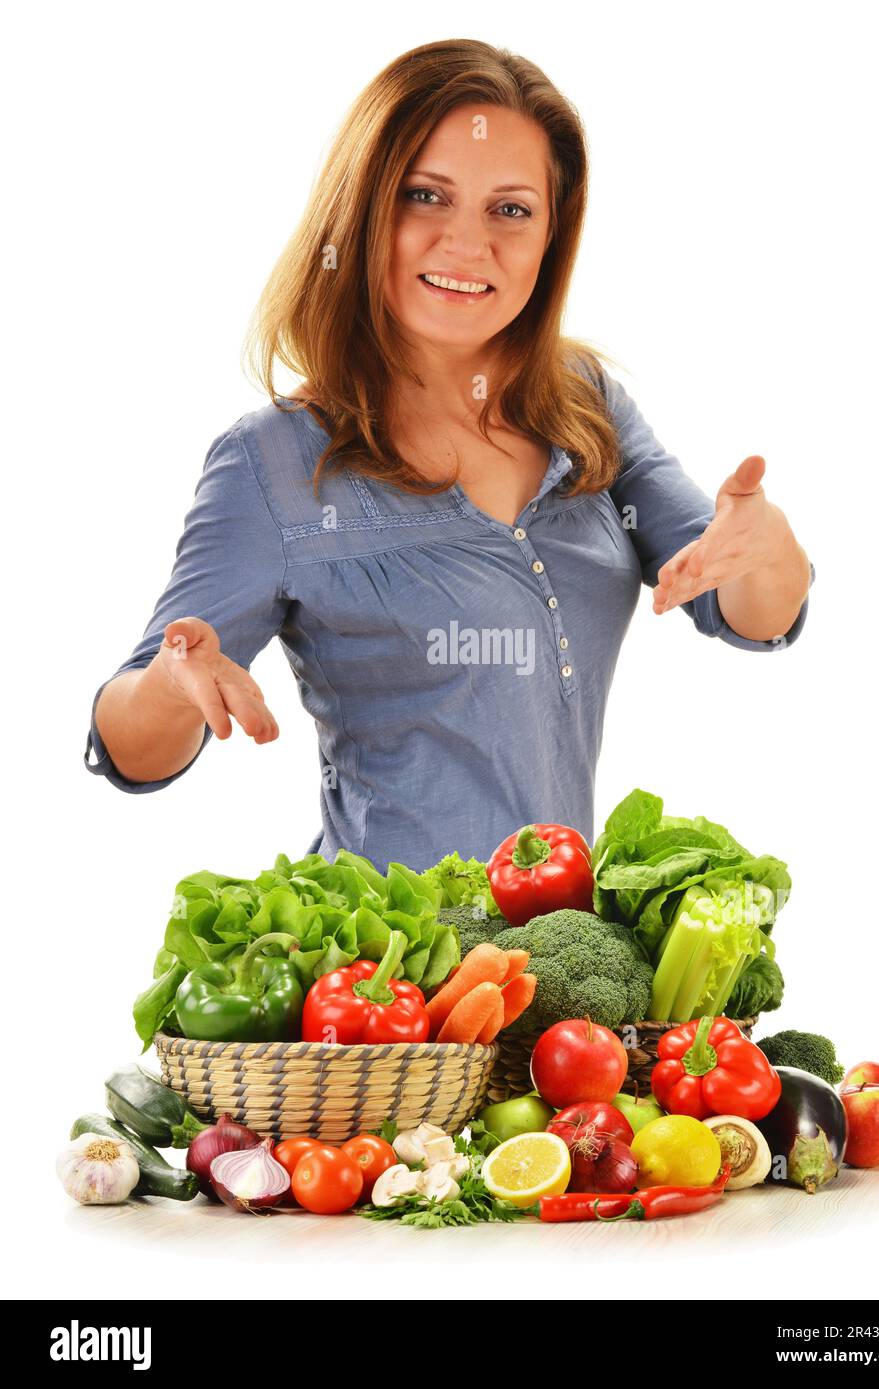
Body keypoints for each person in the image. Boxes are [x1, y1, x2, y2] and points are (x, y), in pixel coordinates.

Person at [85, 39, 814, 874]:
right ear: (360, 214)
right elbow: (129, 749)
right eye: (424, 196)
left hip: (550, 954)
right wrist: (174, 687)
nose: (468, 245)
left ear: (551, 235)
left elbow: (748, 609)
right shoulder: (274, 462)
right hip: (377, 974)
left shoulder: (587, 406)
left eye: (510, 210)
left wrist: (769, 546)